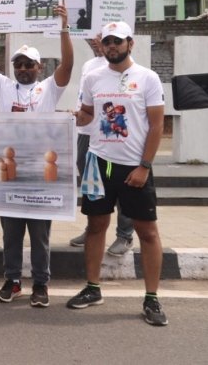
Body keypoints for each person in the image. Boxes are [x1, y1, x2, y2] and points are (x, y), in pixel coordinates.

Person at [0, 4, 72, 308]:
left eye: (30, 64)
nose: (24, 69)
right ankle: (12, 280)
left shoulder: (49, 90)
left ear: (40, 68)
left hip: (41, 174)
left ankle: (41, 284)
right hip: (8, 173)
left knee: (39, 234)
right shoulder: (2, 87)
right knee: (11, 232)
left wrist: (64, 28)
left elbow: (67, 63)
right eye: (19, 64)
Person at [68, 21, 168, 327]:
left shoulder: (148, 78)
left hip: (133, 167)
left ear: (130, 44)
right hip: (99, 163)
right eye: (108, 41)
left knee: (147, 232)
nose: (112, 46)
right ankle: (93, 288)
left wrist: (144, 166)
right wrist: (74, 118)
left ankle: (151, 298)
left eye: (118, 41)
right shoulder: (93, 77)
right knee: (96, 226)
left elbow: (157, 126)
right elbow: (88, 113)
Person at [70, 35, 135, 256]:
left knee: (121, 187)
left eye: (101, 38)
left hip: (112, 138)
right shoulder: (89, 65)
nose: (96, 42)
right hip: (87, 134)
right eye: (93, 39)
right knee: (92, 188)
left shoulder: (122, 66)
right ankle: (92, 229)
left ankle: (125, 235)